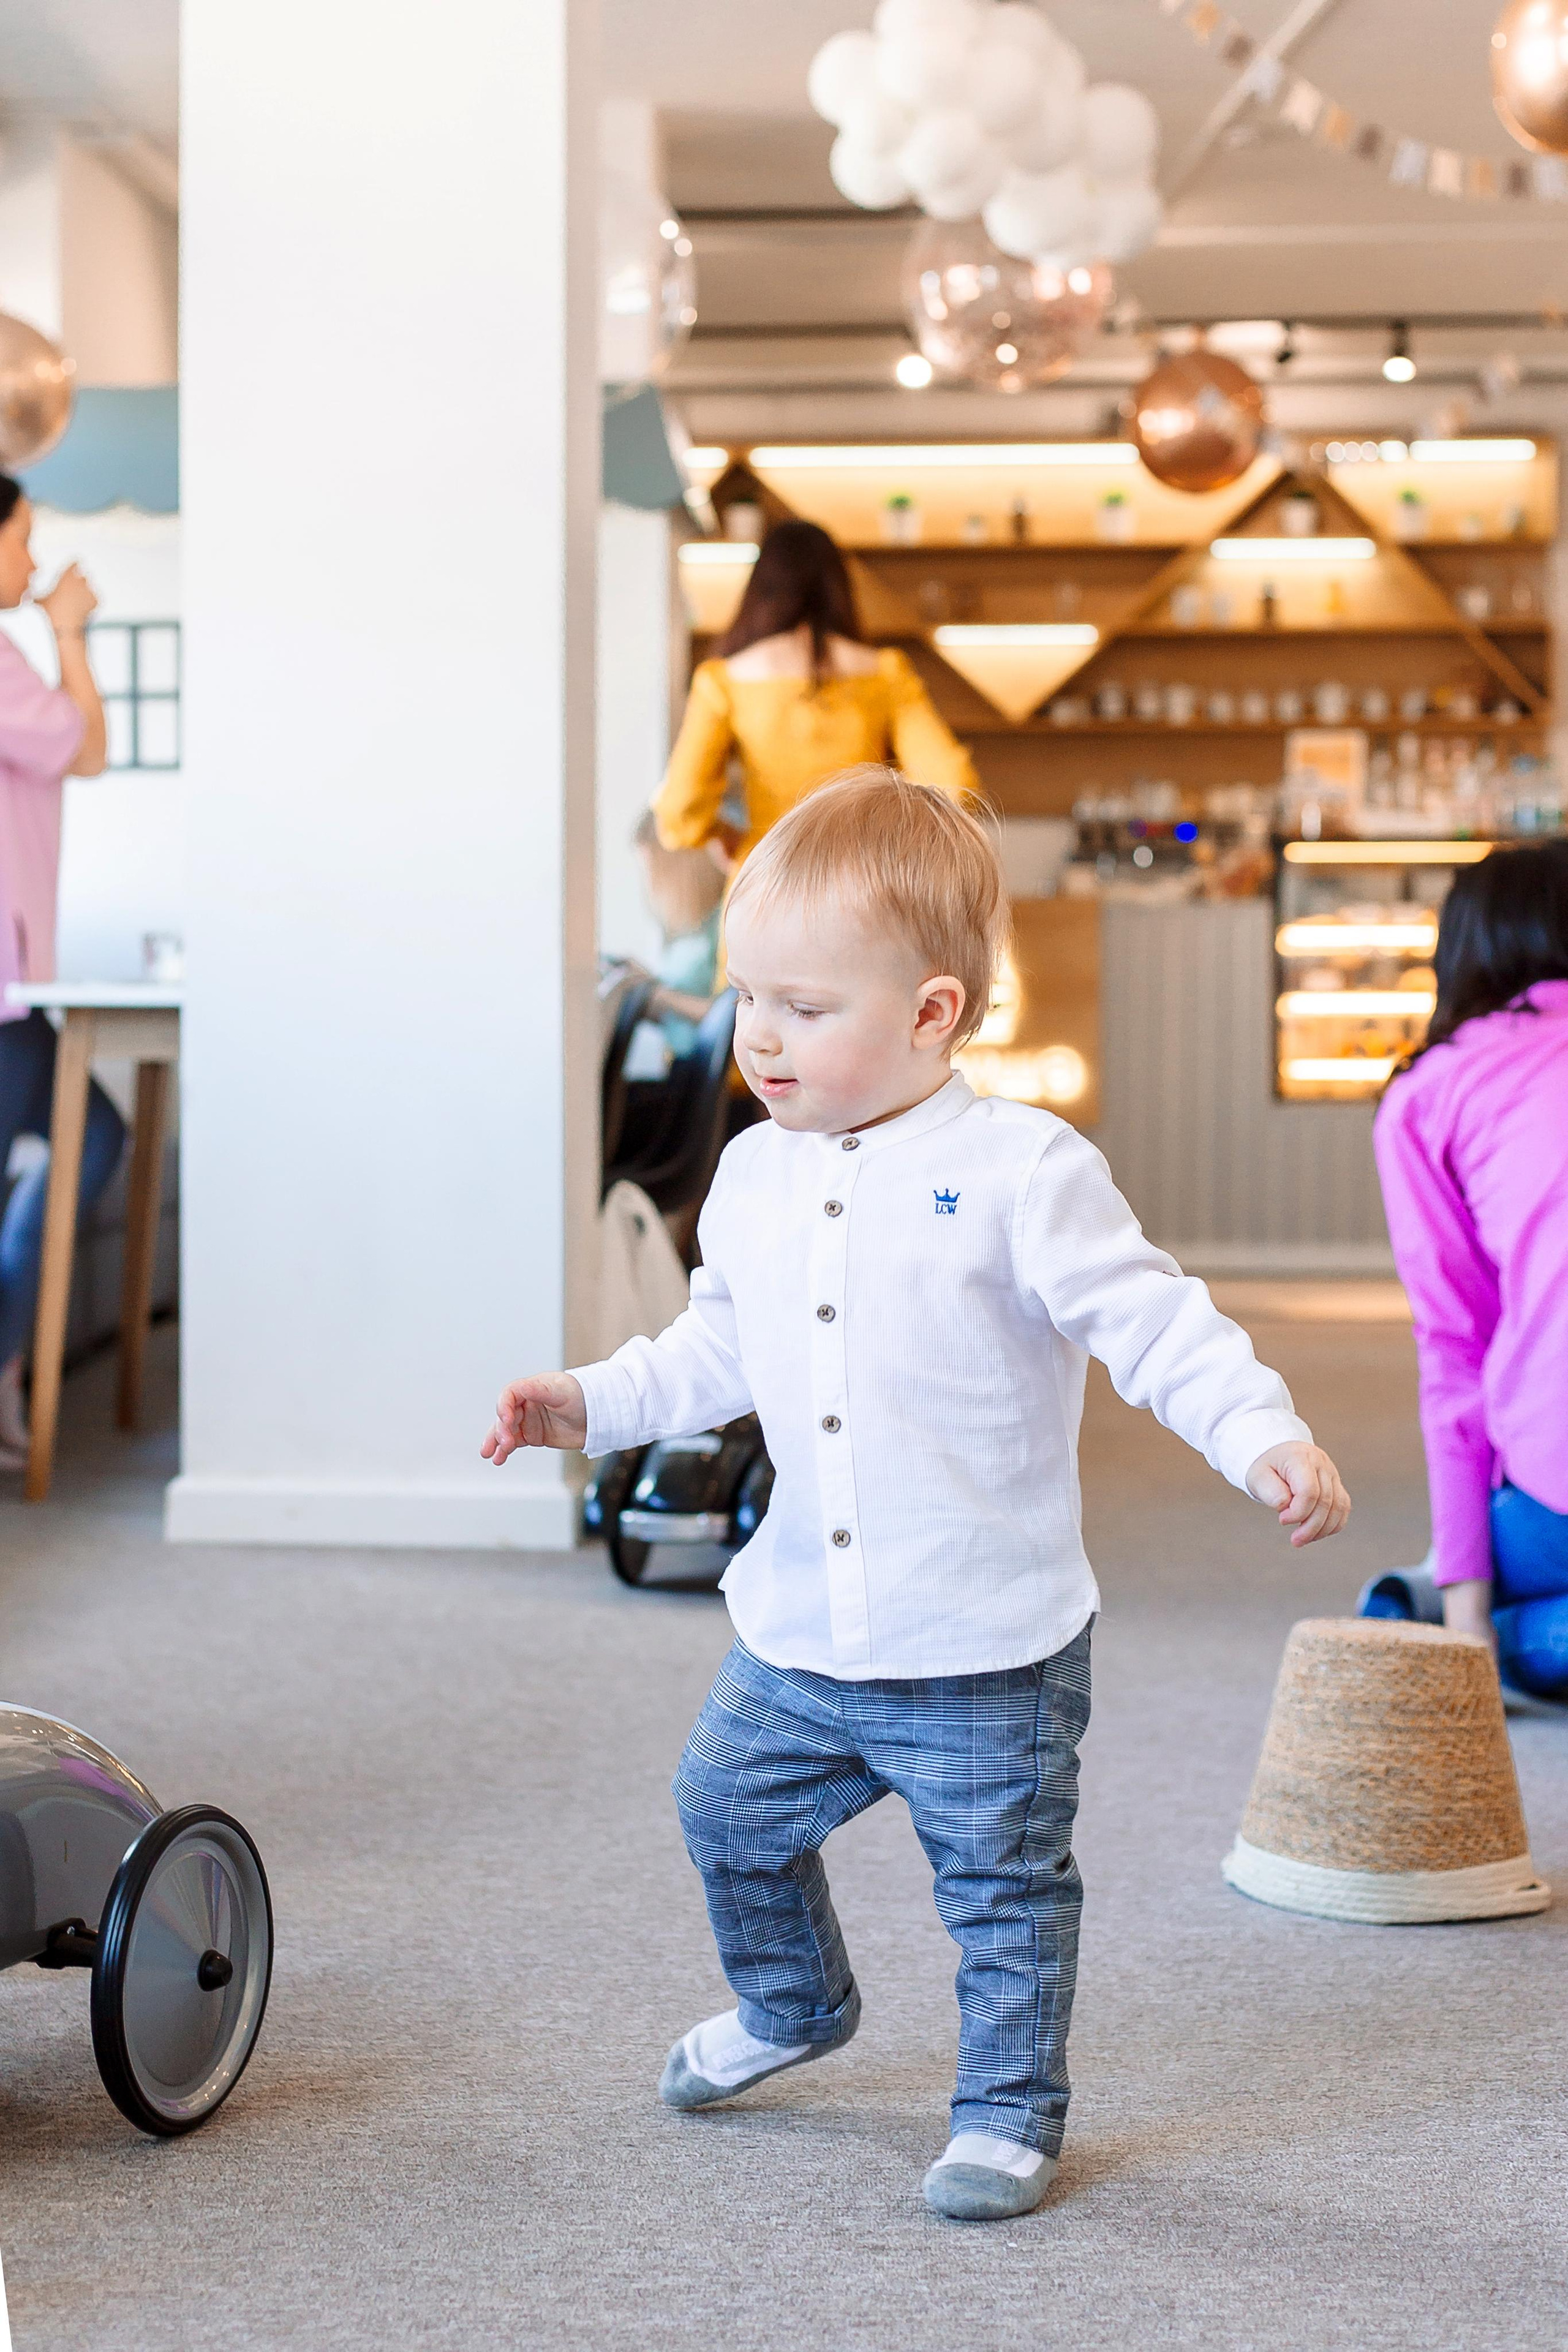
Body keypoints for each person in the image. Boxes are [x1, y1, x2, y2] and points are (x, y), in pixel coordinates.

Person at [482, 766, 1349, 2223]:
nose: (758, 1033)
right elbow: (713, 1347)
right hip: (800, 1627)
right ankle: (792, 2002)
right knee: (721, 1810)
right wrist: (588, 1402)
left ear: (932, 1012)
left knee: (998, 1891)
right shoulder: (751, 1173)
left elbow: (1152, 1323)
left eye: (803, 1005)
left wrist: (1258, 1430)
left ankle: (1007, 2108)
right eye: (747, 995)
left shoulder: (1020, 1170)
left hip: (982, 1641)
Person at [1373, 840, 1568, 1700]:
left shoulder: (1432, 1093)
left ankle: (1431, 1619)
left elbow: (1455, 1351)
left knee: (1449, 1596)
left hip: (1553, 1487)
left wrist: (1466, 1623)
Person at [0, 473, 122, 1469]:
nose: (34, 561)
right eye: (23, 538)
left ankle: (6, 1364)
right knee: (97, 1135)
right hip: (5, 990)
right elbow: (86, 749)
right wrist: (71, 630)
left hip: (17, 986)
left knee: (98, 1134)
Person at [653, 519, 978, 872]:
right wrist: (888, 844)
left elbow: (679, 811)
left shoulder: (722, 680)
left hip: (765, 880)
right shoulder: (887, 672)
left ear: (760, 591)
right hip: (861, 881)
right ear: (839, 589)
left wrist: (721, 834)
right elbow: (955, 787)